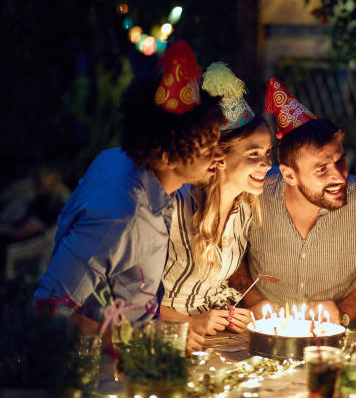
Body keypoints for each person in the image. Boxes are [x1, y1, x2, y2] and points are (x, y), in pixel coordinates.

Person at [34, 41, 226, 334]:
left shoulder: (122, 162)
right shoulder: (122, 216)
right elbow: (48, 310)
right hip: (101, 370)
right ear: (167, 155)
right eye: (207, 147)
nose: (220, 157)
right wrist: (152, 343)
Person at [229, 78, 356, 331]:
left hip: (341, 342)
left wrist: (342, 313)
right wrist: (257, 303)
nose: (339, 176)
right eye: (321, 169)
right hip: (262, 335)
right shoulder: (254, 193)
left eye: (340, 161)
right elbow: (232, 255)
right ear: (289, 175)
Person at [160, 63, 273, 353]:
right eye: (254, 154)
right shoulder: (176, 203)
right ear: (219, 155)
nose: (267, 164)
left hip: (207, 344)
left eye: (268, 153)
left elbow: (212, 285)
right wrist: (189, 321)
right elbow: (134, 298)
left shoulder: (245, 208)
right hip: (161, 340)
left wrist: (231, 312)